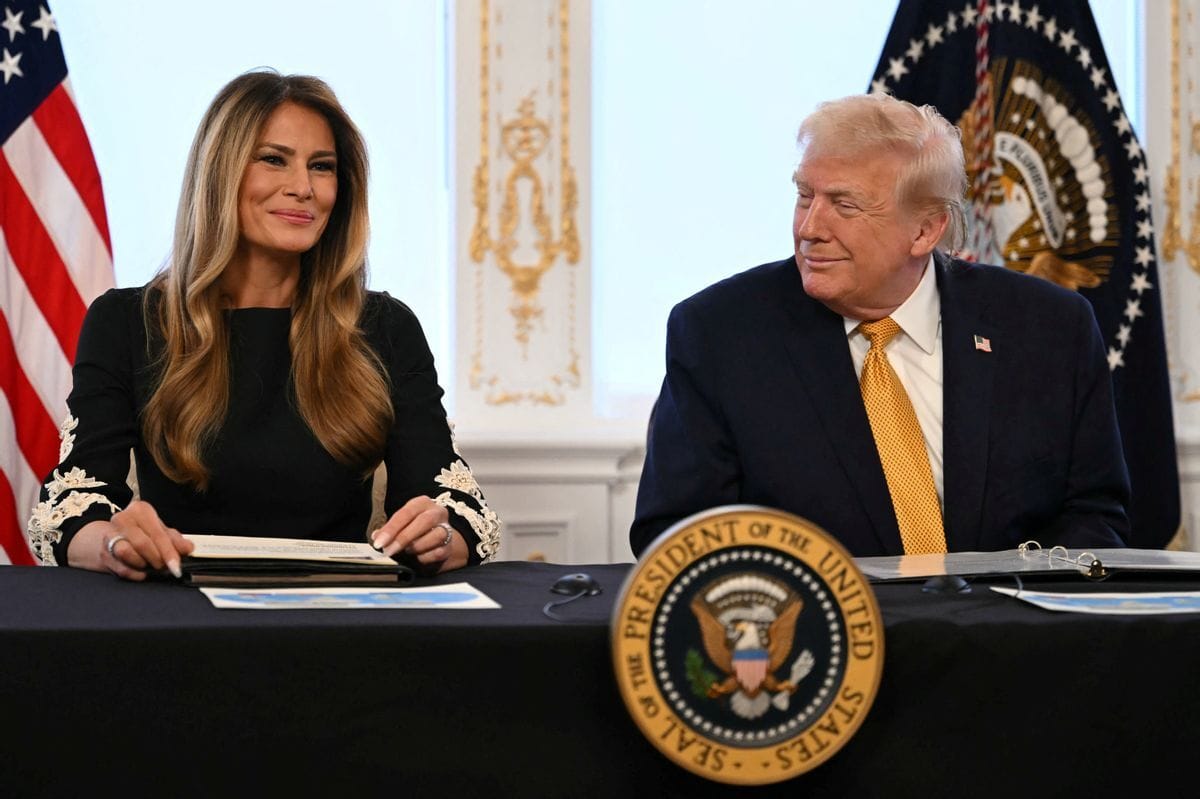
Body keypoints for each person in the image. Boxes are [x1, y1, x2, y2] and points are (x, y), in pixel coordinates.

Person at [28, 69, 501, 579]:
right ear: (221, 173)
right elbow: (71, 505)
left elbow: (459, 510)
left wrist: (440, 534)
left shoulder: (386, 327)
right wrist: (114, 540)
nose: (303, 188)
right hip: (179, 622)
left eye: (322, 167)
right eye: (274, 159)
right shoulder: (127, 322)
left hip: (343, 622)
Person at [630, 92, 1130, 558]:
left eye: (844, 205)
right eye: (805, 196)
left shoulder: (1048, 329)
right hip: (818, 639)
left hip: (1010, 638)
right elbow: (678, 536)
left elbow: (1094, 516)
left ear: (925, 229)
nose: (809, 229)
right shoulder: (719, 335)